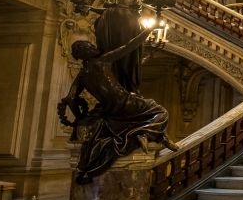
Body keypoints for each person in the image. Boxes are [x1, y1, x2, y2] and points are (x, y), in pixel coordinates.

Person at [61, 27, 178, 184]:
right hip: (127, 103)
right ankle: (143, 132)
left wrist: (79, 118)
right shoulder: (102, 61)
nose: (94, 47)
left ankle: (145, 134)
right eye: (90, 47)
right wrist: (148, 29)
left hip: (110, 110)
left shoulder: (82, 76)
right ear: (84, 53)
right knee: (160, 111)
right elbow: (128, 46)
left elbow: (70, 98)